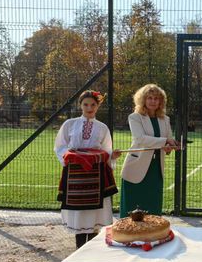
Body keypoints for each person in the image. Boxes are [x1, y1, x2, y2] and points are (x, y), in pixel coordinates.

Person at [54, 90, 120, 248]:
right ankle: (79, 248)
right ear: (80, 105)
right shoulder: (69, 124)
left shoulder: (102, 128)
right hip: (75, 175)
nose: (89, 108)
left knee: (94, 212)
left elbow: (107, 150)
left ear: (98, 106)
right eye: (86, 104)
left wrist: (113, 156)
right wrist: (71, 158)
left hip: (96, 176)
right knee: (79, 211)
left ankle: (90, 249)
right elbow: (60, 146)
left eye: (93, 105)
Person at [119, 84, 178, 217]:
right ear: (143, 100)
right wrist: (165, 142)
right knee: (132, 207)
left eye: (156, 98)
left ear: (161, 101)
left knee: (153, 205)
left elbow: (168, 139)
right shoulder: (135, 117)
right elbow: (140, 139)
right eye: (149, 98)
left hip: (156, 169)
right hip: (136, 167)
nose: (153, 101)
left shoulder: (165, 119)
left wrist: (171, 146)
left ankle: (152, 235)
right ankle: (130, 235)